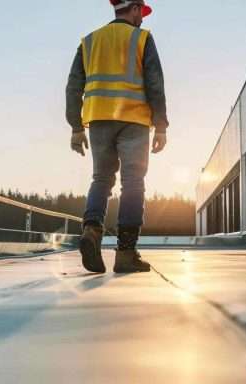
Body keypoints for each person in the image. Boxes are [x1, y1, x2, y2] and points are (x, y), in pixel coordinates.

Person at [65, 0, 168, 273]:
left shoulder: (89, 41)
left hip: (98, 120)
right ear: (134, 9)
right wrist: (161, 126)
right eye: (141, 13)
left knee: (101, 179)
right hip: (133, 119)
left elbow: (73, 86)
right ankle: (125, 253)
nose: (142, 20)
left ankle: (91, 231)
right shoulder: (142, 38)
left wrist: (76, 127)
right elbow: (155, 83)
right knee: (133, 182)